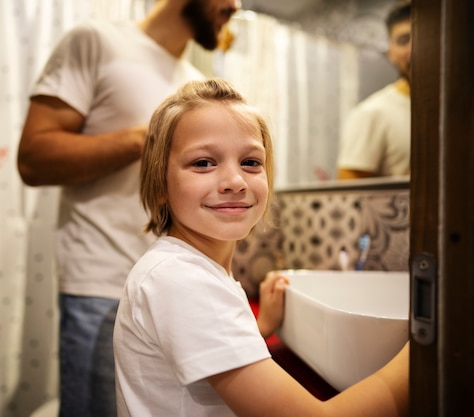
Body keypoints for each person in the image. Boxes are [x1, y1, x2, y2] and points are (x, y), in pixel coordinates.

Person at [113, 78, 409, 417]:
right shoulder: (181, 281)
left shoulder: (182, 268)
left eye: (251, 162)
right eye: (203, 163)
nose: (235, 182)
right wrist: (425, 352)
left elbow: (200, 349)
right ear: (160, 182)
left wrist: (259, 327)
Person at [17, 1, 241, 416]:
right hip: (102, 286)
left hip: (179, 291)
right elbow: (33, 158)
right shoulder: (98, 41)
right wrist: (149, 139)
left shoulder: (194, 83)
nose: (236, 5)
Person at [337, 1, 412, 180]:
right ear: (390, 53)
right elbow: (350, 196)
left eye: (425, 36)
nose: (414, 48)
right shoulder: (373, 113)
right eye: (404, 40)